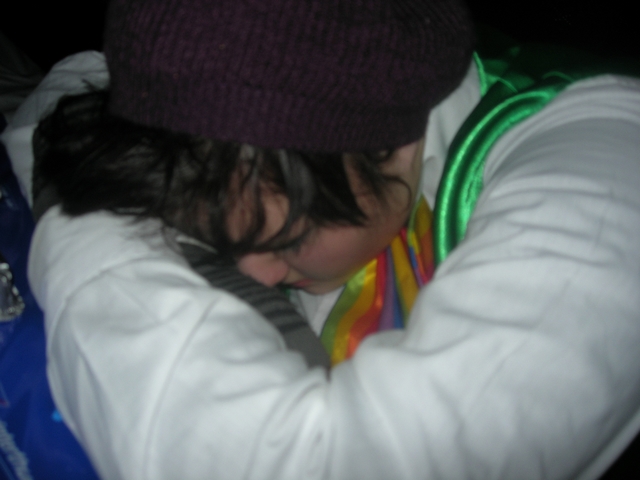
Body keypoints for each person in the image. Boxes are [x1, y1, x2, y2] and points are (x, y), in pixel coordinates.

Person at [2, 0, 640, 478]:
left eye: (287, 239)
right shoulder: (212, 96)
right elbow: (72, 82)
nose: (254, 277)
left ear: (396, 148)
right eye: (218, 240)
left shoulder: (605, 175)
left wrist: (83, 241)